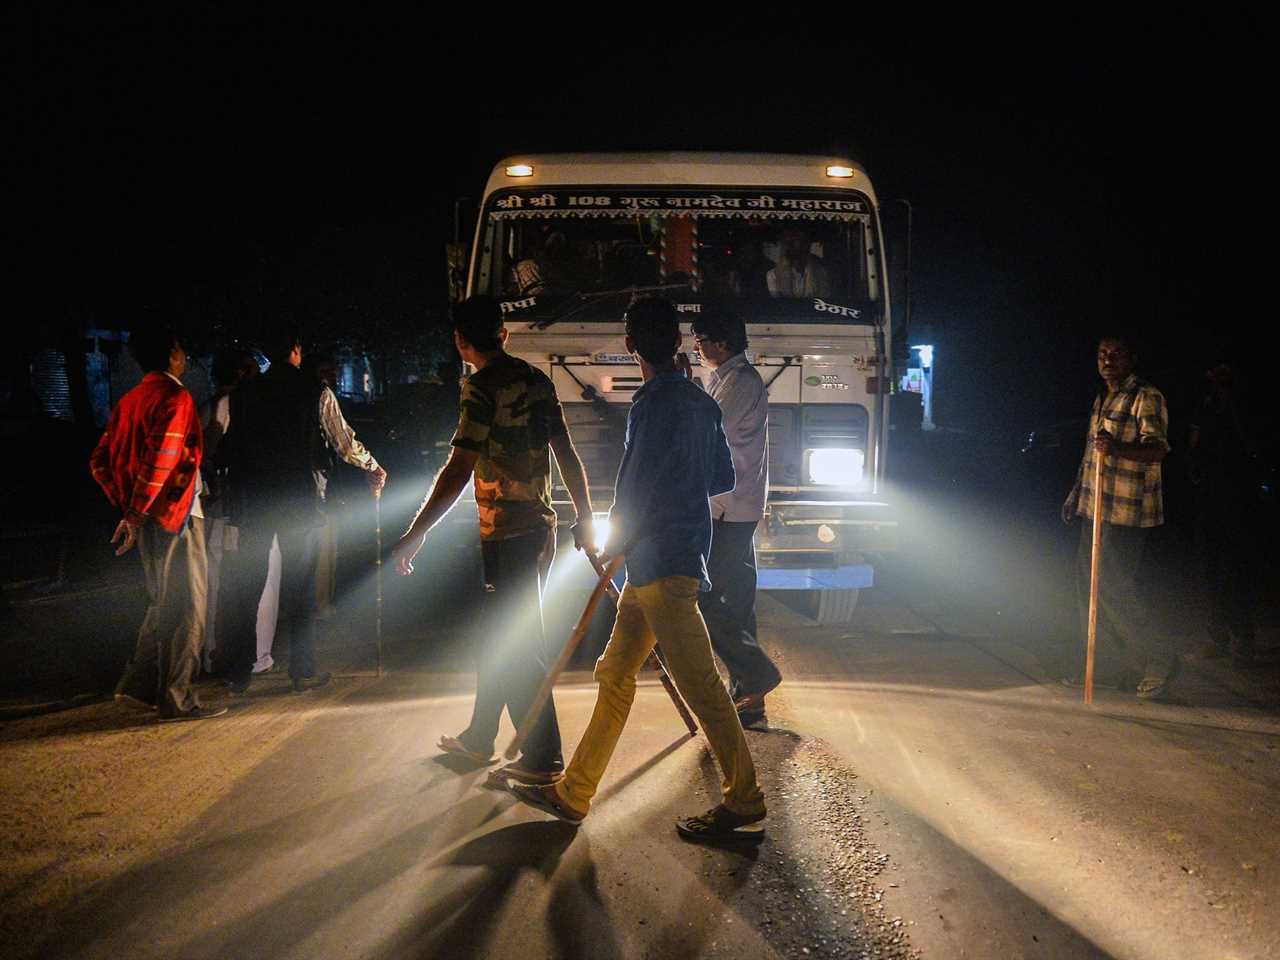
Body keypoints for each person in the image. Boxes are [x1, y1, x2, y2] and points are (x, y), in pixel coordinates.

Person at [509, 296, 767, 846]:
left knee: (702, 686)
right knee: (614, 672)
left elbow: (635, 488)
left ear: (631, 345)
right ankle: (574, 791)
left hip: (661, 565)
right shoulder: (701, 402)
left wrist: (614, 539)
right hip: (666, 559)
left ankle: (744, 799)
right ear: (676, 341)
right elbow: (720, 477)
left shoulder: (651, 404)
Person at [392, 295, 596, 785]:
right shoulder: (536, 380)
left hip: (508, 533)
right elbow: (566, 453)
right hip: (539, 528)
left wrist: (415, 533)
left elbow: (459, 467)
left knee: (519, 642)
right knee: (502, 634)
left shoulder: (480, 388)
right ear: (503, 334)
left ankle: (543, 756)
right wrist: (585, 516)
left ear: (461, 341)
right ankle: (481, 736)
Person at [219, 328, 386, 695]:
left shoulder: (245, 393)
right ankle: (302, 670)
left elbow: (232, 445)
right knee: (301, 588)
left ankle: (238, 673)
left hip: (256, 500)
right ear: (295, 350)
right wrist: (372, 466)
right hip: (299, 499)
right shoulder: (316, 392)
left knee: (247, 587)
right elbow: (344, 442)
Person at [90, 326, 227, 722]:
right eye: (182, 348)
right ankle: (176, 698)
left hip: (147, 518)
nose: (185, 356)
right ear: (172, 353)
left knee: (163, 601)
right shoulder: (175, 397)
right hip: (176, 516)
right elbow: (162, 458)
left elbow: (99, 460)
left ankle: (137, 686)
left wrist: (129, 507)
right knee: (188, 607)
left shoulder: (130, 401)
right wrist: (137, 510)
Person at [1061, 334, 1173, 699]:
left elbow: (1156, 449)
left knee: (1113, 587)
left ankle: (1159, 660)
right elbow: (1093, 456)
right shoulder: (1103, 397)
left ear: (1131, 359)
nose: (1107, 360)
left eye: (1116, 354)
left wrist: (1118, 449)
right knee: (1088, 588)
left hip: (1127, 510)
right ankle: (1105, 666)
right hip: (1095, 508)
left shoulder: (1145, 395)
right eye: (1102, 354)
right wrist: (1076, 495)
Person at [690, 308, 781, 728]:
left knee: (703, 595)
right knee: (739, 602)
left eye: (702, 339)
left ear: (722, 343)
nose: (697, 346)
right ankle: (750, 699)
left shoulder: (740, 382)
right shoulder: (724, 379)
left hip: (729, 506)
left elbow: (708, 427)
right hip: (733, 504)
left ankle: (756, 671)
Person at [1187, 362, 1259, 664]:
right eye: (1213, 370)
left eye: (1223, 370)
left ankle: (1244, 637)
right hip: (1210, 492)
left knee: (1237, 567)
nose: (1216, 375)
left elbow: (1251, 440)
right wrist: (1193, 468)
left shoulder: (1245, 401)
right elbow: (1195, 438)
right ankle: (1217, 636)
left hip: (1240, 492)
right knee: (1209, 566)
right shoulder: (1205, 402)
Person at [199, 348, 259, 674]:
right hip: (221, 504)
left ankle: (211, 652)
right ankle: (215, 653)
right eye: (251, 370)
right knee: (220, 580)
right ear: (239, 374)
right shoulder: (226, 405)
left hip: (214, 503)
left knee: (216, 578)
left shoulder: (208, 404)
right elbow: (212, 449)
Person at [766, 227, 831, 298]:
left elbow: (824, 298)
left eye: (802, 241)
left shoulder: (822, 272)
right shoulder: (773, 275)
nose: (792, 247)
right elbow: (777, 303)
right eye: (790, 243)